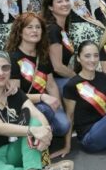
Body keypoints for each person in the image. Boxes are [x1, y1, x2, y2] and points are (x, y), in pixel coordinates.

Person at [4, 11, 71, 155]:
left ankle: (41, 135)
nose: (35, 30)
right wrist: (42, 98)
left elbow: (51, 85)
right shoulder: (12, 58)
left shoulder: (43, 56)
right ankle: (34, 143)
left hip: (42, 104)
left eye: (38, 27)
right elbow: (15, 95)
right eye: (29, 27)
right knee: (45, 110)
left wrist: (57, 107)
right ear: (20, 32)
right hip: (22, 107)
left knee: (64, 125)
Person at [44, 0, 77, 97]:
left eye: (67, 0)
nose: (65, 4)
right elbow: (57, 67)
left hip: (65, 79)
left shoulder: (62, 29)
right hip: (57, 83)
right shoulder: (53, 30)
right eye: (59, 1)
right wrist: (78, 77)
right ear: (50, 7)